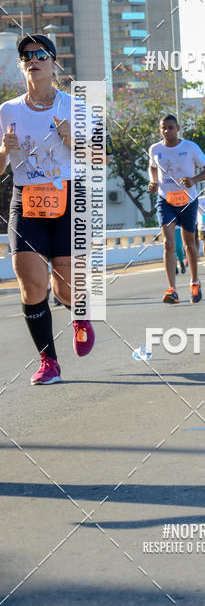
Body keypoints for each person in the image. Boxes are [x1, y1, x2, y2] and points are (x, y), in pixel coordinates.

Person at [0, 34, 95, 385]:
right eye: (27, 55)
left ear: (54, 63)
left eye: (41, 54)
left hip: (68, 199)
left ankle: (80, 313)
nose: (33, 60)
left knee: (64, 288)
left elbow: (98, 157)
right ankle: (49, 362)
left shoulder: (75, 107)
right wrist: (3, 150)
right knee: (32, 284)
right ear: (21, 64)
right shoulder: (8, 110)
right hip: (26, 199)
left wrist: (72, 139)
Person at [148, 114, 205, 303]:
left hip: (188, 201)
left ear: (178, 128)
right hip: (165, 200)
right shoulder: (155, 149)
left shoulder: (190, 147)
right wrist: (153, 182)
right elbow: (153, 167)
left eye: (170, 127)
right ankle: (172, 290)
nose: (167, 131)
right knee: (168, 243)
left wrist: (193, 180)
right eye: (163, 128)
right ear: (160, 130)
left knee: (189, 245)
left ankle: (195, 282)